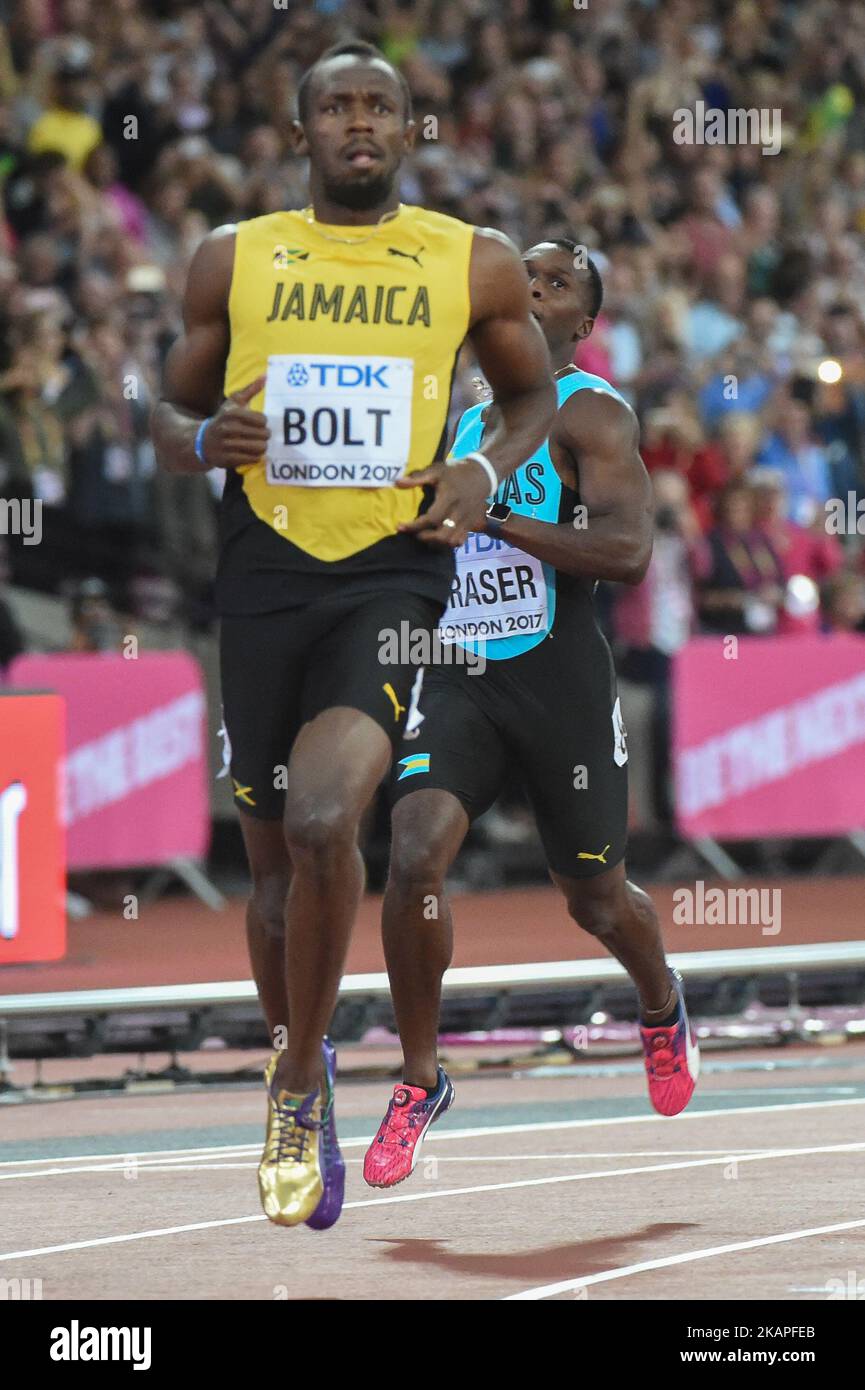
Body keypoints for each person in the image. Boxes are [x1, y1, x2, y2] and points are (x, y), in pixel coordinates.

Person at [151, 39, 555, 1230]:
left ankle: (289, 1086)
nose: (360, 123)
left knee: (331, 817)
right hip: (264, 568)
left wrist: (482, 467)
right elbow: (176, 397)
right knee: (273, 874)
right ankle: (308, 1054)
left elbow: (529, 397)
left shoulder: (468, 260)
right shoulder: (234, 258)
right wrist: (194, 439)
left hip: (390, 575)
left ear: (409, 127)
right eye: (337, 107)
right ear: (301, 131)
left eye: (381, 105)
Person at [363, 241, 700, 1190]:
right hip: (461, 676)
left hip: (559, 683)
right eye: (524, 277)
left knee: (593, 898)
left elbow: (627, 551)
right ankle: (420, 1079)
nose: (531, 290)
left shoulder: (591, 411)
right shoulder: (455, 415)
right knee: (413, 850)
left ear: (582, 325)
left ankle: (660, 1001)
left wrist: (493, 517)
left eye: (553, 284)